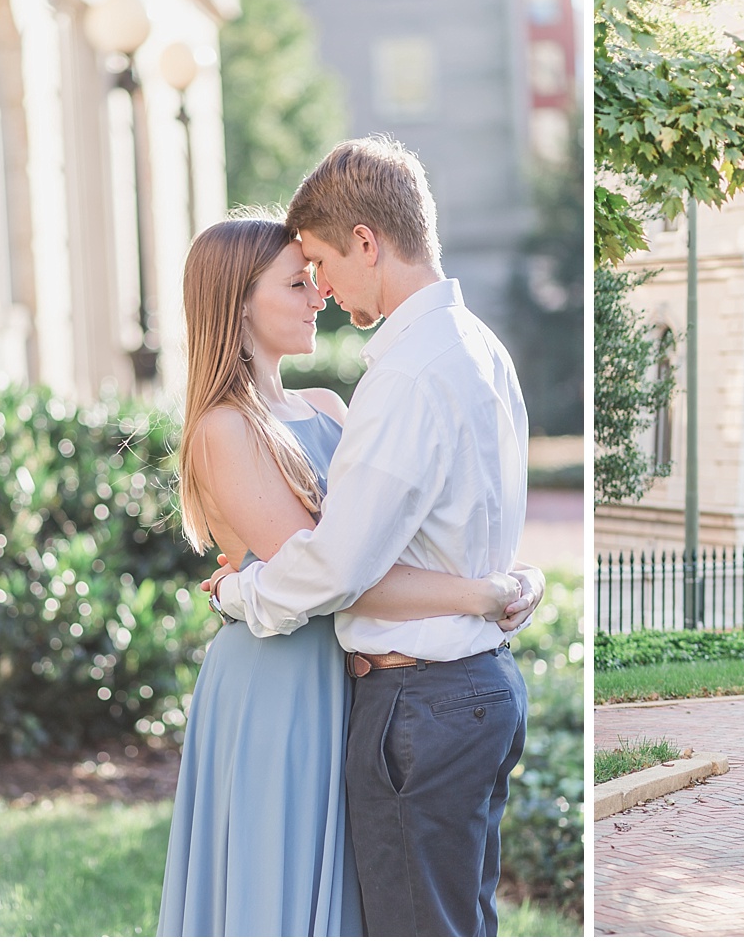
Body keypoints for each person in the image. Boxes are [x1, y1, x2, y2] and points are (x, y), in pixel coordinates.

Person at [157, 216, 537, 936]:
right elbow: (337, 578)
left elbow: (384, 546)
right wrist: (479, 595)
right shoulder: (224, 429)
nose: (317, 296)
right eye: (297, 283)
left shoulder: (328, 408)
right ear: (238, 302)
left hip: (350, 682)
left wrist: (507, 576)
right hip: (278, 688)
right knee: (283, 890)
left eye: (315, 277)